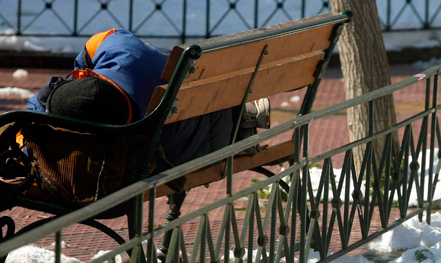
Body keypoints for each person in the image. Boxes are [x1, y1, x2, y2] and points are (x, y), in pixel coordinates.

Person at [26, 28, 269, 165]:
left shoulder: (130, 138)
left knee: (180, 127)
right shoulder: (116, 46)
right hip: (208, 103)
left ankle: (240, 121)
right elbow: (90, 51)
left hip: (205, 146)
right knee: (182, 95)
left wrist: (45, 103)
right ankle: (242, 116)